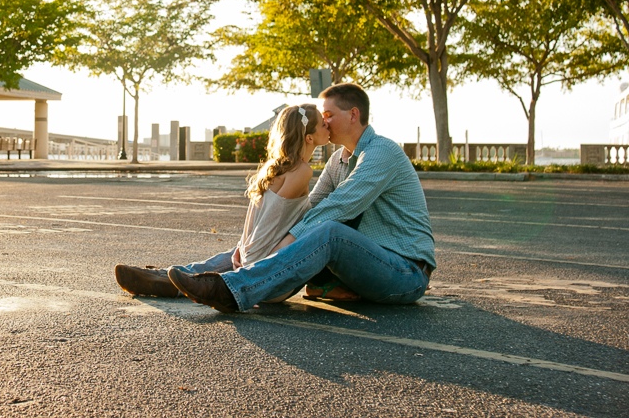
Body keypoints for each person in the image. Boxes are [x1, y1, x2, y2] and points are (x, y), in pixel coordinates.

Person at [166, 83, 436, 313]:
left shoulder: (382, 152)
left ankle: (232, 290)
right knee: (279, 241)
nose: (324, 121)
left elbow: (340, 205)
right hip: (366, 265)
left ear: (354, 114)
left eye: (328, 114)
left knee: (330, 232)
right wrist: (251, 245)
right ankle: (170, 281)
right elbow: (310, 211)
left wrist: (285, 244)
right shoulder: (337, 160)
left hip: (405, 273)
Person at [114, 103, 331, 299]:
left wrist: (242, 250)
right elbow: (269, 225)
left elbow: (261, 222)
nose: (327, 126)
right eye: (323, 123)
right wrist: (250, 275)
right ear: (309, 138)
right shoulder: (302, 171)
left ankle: (168, 278)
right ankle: (173, 280)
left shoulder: (273, 168)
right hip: (267, 276)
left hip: (253, 259)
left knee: (226, 258)